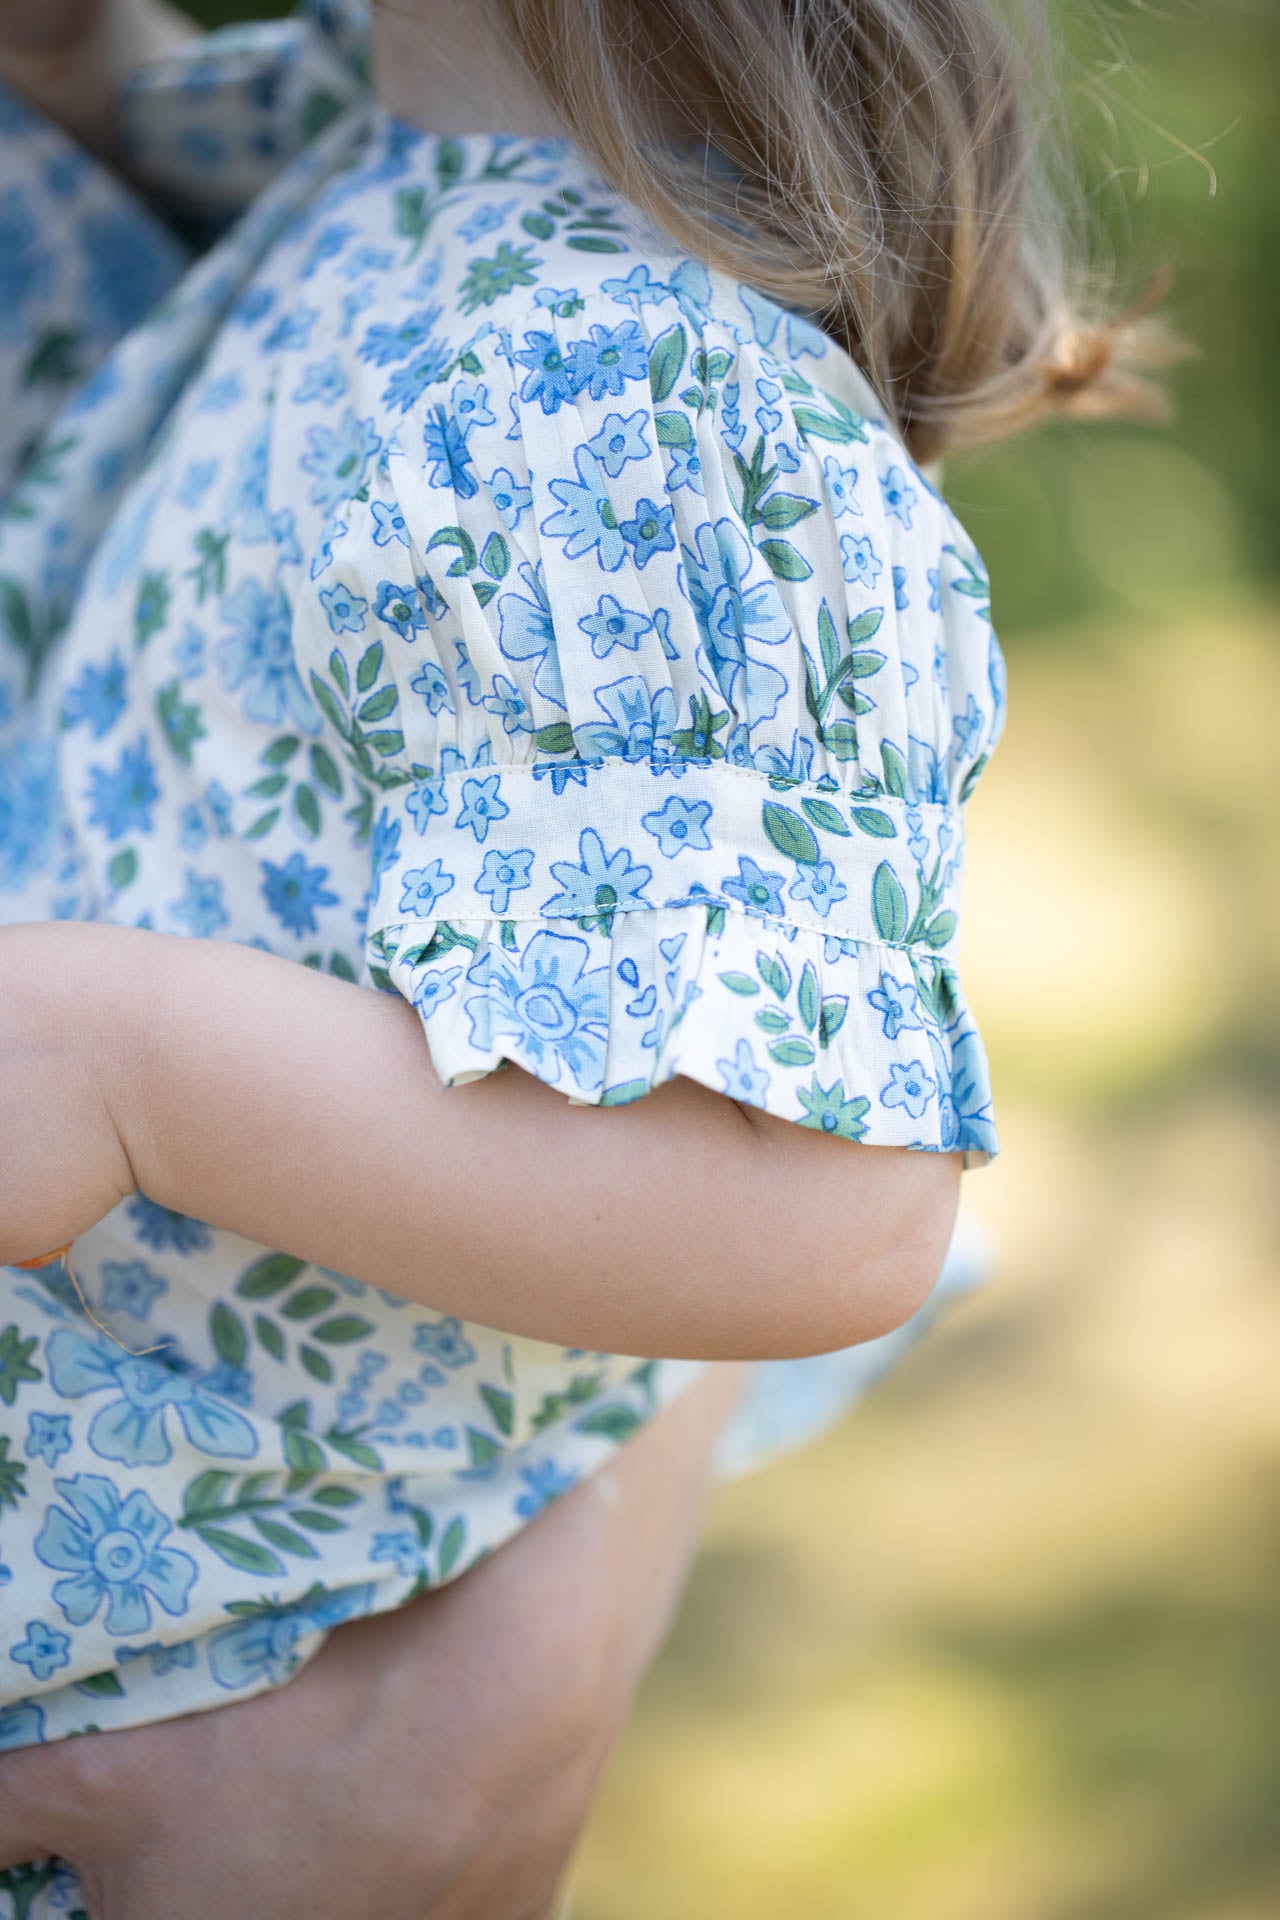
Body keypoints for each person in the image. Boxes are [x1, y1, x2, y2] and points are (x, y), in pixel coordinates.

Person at [0, 0, 1172, 1911]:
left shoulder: (604, 383)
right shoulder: (377, 143)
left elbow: (818, 1196)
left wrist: (122, 1064)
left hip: (169, 1708)